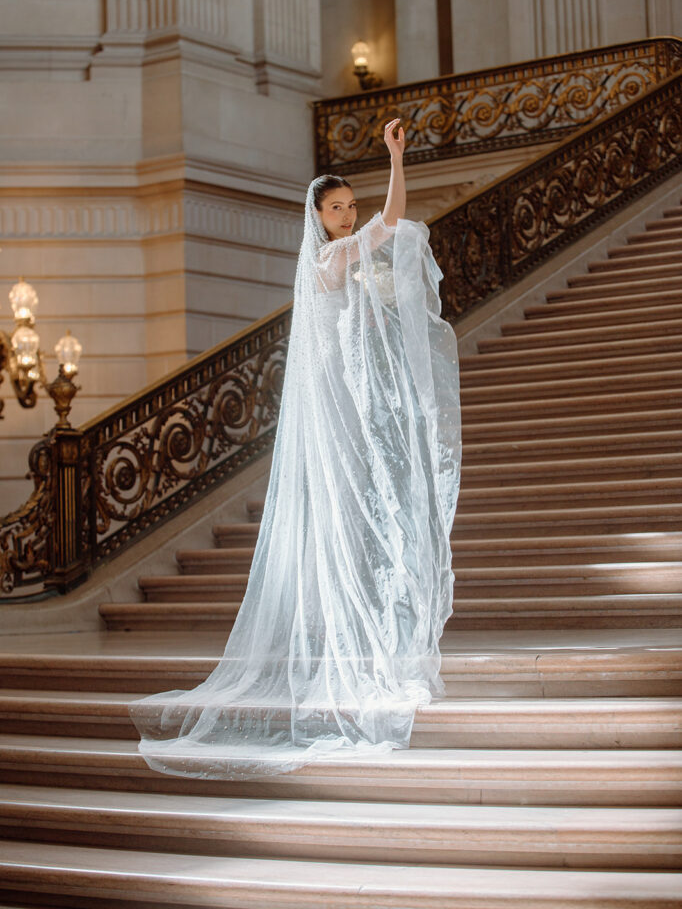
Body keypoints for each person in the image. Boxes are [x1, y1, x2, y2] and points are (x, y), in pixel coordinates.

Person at [129, 119, 462, 779]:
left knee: (381, 524)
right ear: (317, 216)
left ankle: (376, 645)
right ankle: (363, 653)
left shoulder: (343, 257)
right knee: (368, 523)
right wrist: (396, 159)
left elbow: (384, 242)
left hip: (367, 400)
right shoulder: (332, 259)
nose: (346, 215)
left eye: (349, 207)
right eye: (335, 208)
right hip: (355, 409)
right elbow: (393, 221)